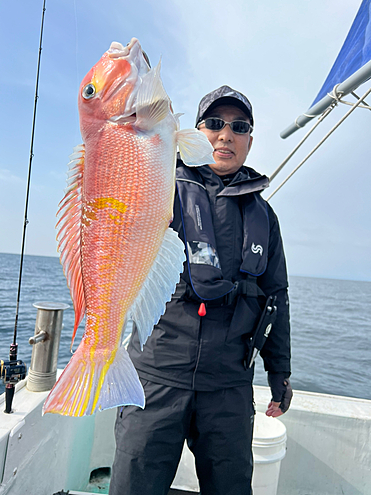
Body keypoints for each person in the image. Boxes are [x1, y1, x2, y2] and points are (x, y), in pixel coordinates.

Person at [109, 85, 292, 495]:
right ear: (193, 132)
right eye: (214, 123)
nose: (226, 134)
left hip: (228, 384)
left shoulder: (265, 216)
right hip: (156, 375)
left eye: (239, 127)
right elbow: (118, 201)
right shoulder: (161, 185)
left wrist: (280, 372)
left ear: (249, 140)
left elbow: (276, 296)